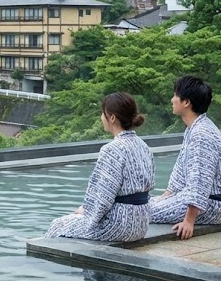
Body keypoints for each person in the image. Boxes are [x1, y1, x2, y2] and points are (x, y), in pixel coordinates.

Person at [46, 92, 154, 242]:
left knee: (58, 225)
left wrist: (85, 211)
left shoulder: (112, 149)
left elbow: (103, 196)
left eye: (103, 114)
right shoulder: (143, 146)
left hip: (119, 225)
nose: (101, 118)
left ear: (112, 117)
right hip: (141, 224)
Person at [149, 75, 221, 240]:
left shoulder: (201, 134)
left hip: (212, 206)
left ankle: (87, 213)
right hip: (205, 202)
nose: (172, 99)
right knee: (147, 203)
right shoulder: (196, 128)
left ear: (186, 102)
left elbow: (200, 180)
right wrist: (167, 195)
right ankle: (88, 210)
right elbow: (181, 170)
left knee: (140, 213)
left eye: (175, 95)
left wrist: (189, 221)